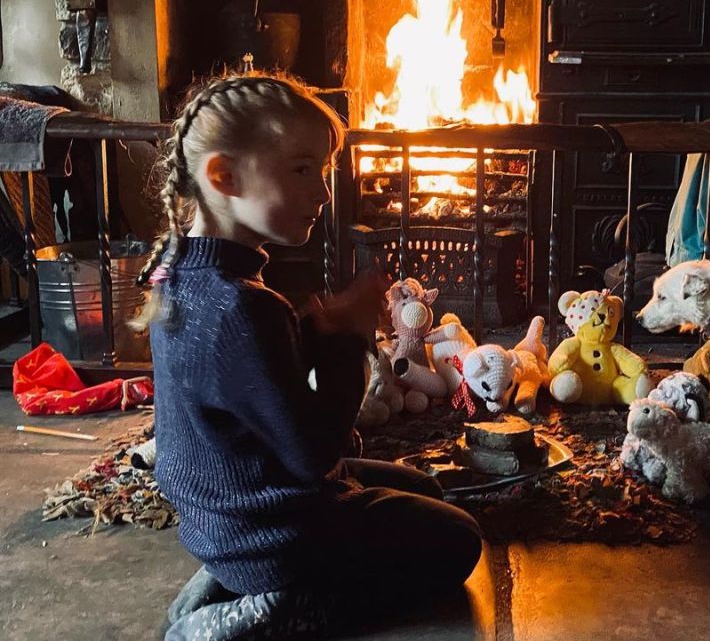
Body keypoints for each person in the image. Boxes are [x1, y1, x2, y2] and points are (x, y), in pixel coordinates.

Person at [135, 72, 482, 640]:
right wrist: (348, 342)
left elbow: (252, 384)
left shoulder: (178, 274)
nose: (322, 194)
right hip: (270, 531)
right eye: (302, 170)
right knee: (458, 540)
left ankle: (228, 578)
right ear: (223, 176)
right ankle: (274, 607)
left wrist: (318, 329)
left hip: (223, 516)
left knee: (424, 490)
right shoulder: (241, 306)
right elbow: (313, 454)